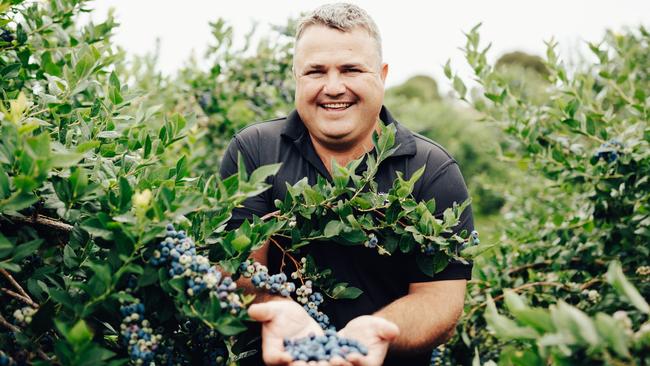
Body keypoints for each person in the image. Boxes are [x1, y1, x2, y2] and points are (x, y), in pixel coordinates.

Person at [219, 3, 473, 366]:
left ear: (382, 75)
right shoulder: (255, 151)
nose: (333, 87)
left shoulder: (432, 169)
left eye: (351, 69)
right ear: (297, 77)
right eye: (316, 71)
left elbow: (440, 298)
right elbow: (239, 270)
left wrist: (375, 332)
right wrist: (274, 307)